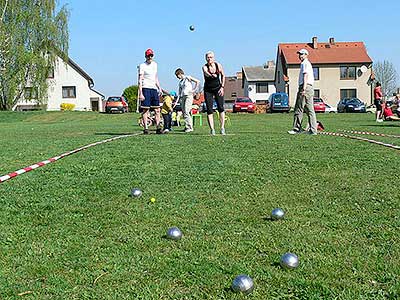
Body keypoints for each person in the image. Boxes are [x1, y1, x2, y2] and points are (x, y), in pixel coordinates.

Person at [288, 48, 317, 135]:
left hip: (305, 87)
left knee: (298, 108)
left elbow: (306, 75)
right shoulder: (307, 63)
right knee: (310, 110)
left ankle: (297, 129)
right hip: (310, 87)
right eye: (299, 54)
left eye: (302, 54)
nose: (300, 56)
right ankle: (313, 130)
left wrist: (303, 89)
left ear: (306, 55)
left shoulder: (305, 63)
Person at [138, 48, 163, 134]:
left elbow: (156, 77)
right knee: (146, 110)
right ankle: (146, 128)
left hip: (154, 89)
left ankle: (158, 127)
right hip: (146, 88)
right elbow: (140, 79)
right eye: (148, 55)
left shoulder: (155, 65)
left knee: (157, 110)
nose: (150, 57)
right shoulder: (142, 66)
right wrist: (141, 93)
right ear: (146, 56)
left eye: (151, 55)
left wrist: (159, 87)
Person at [202, 51, 226, 135]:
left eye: (211, 57)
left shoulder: (218, 65)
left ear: (214, 58)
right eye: (208, 57)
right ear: (206, 59)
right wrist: (212, 75)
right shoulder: (204, 67)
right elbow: (206, 73)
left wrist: (222, 87)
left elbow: (223, 75)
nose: (209, 59)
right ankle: (212, 129)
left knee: (221, 108)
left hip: (218, 88)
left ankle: (222, 128)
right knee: (209, 109)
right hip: (208, 90)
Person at [175, 68, 200, 133]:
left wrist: (194, 90)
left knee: (186, 111)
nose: (177, 77)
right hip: (182, 97)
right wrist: (176, 102)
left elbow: (197, 81)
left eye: (177, 76)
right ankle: (187, 126)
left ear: (180, 74)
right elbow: (179, 93)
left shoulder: (187, 78)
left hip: (188, 96)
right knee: (184, 112)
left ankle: (190, 127)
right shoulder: (180, 82)